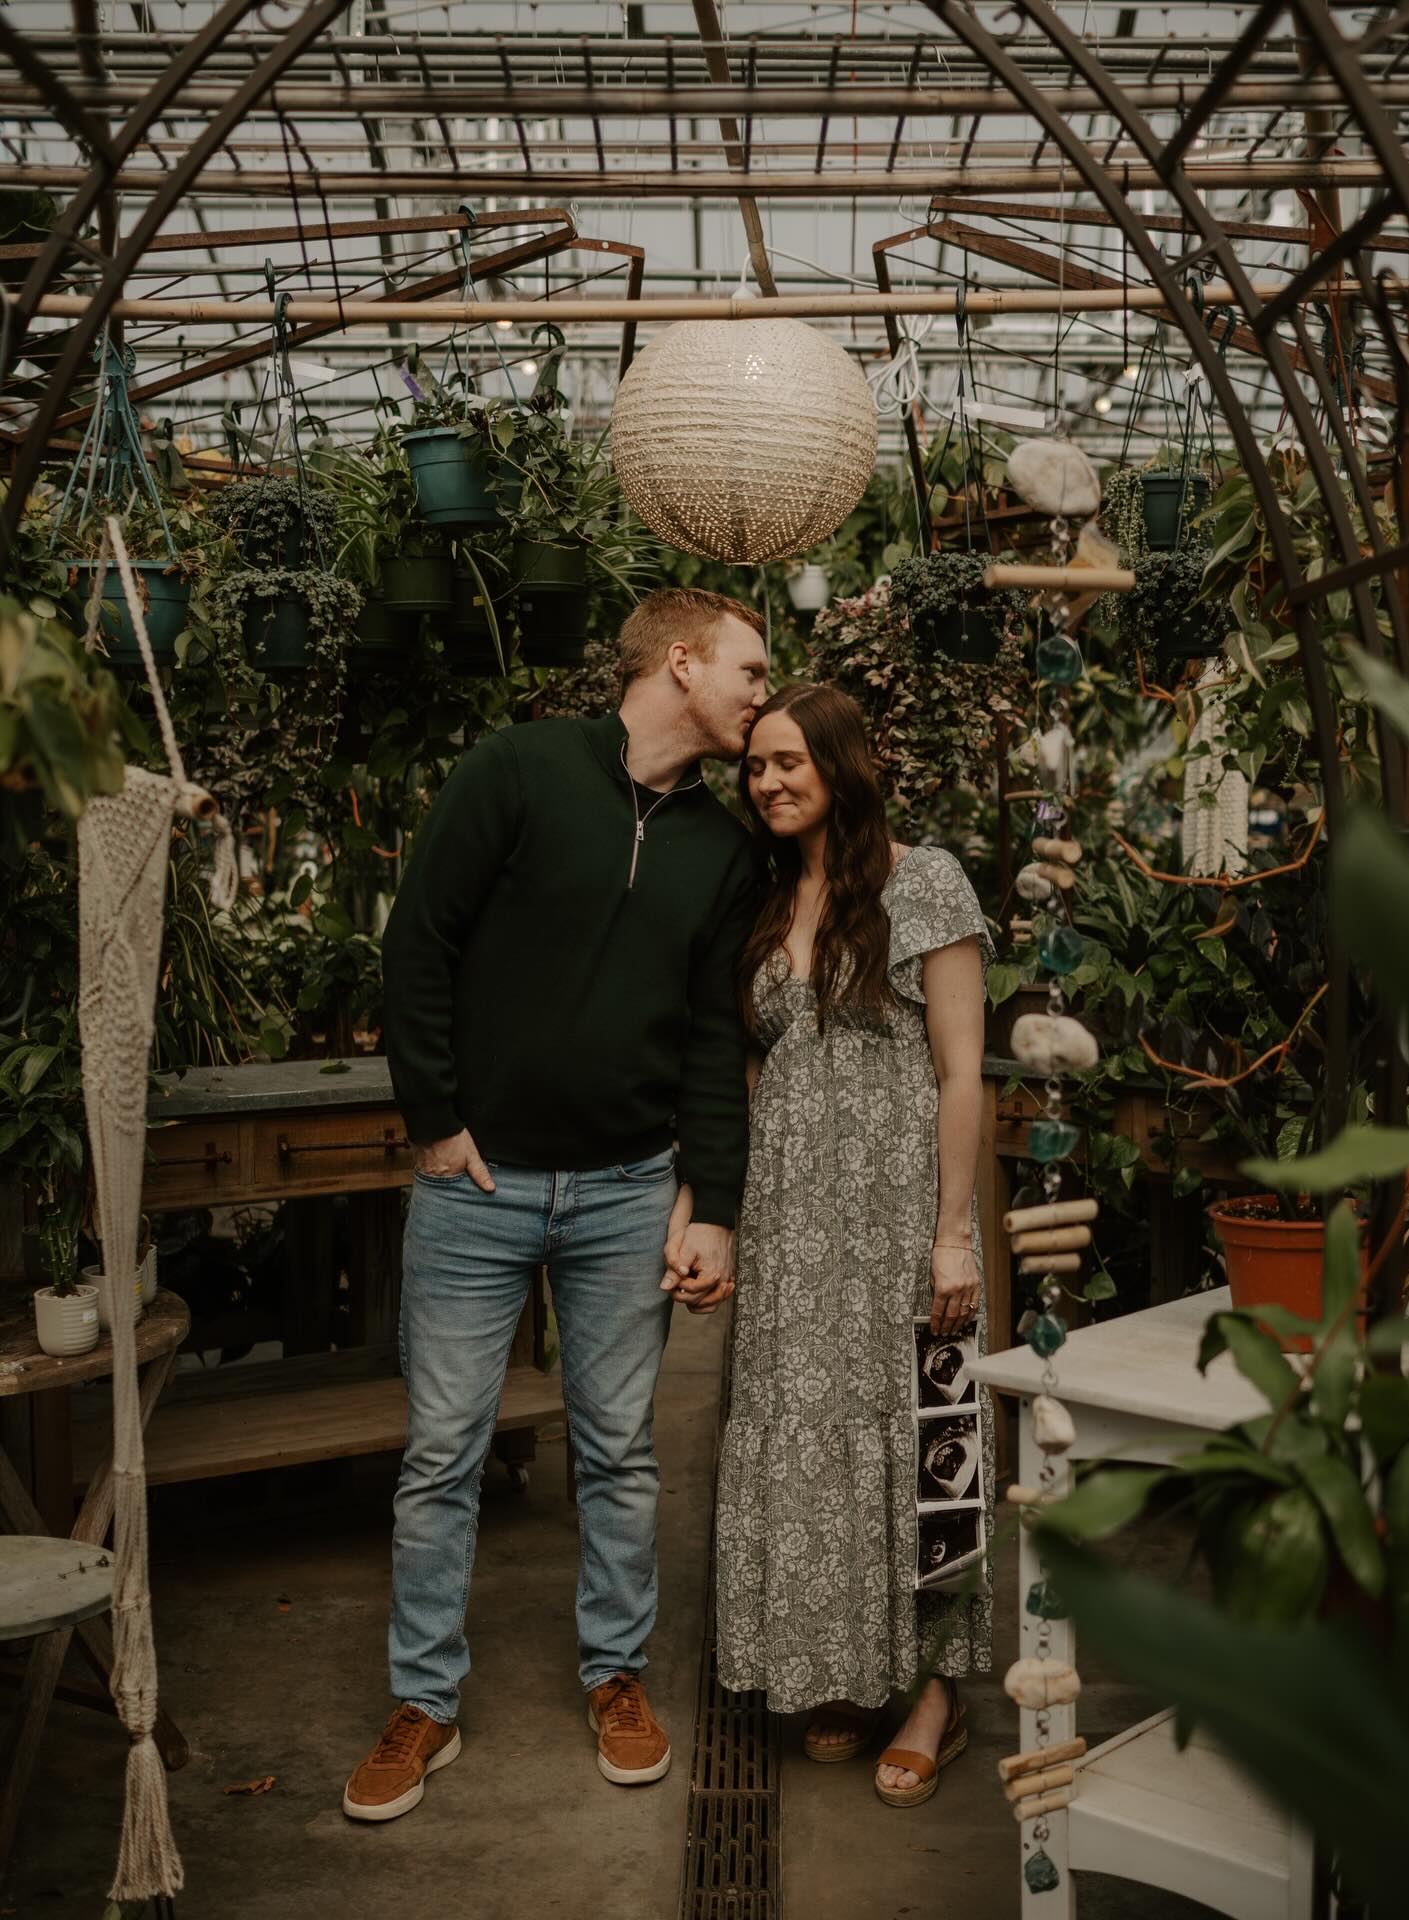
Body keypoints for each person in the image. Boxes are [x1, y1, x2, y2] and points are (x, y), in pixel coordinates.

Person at [341, 588, 769, 1822]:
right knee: (442, 1454)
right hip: (477, 1189)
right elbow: (419, 944)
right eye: (749, 670)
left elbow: (713, 1036)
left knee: (620, 1452)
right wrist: (436, 1124)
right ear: (680, 662)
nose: (762, 691)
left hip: (628, 1192)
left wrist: (712, 1202)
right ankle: (423, 1700)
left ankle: (616, 1676)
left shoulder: (724, 849)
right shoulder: (519, 770)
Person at [698, 682, 994, 1808]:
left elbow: (961, 1070)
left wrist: (953, 1235)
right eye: (756, 766)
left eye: (790, 762)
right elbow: (756, 1066)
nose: (768, 782)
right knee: (814, 1439)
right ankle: (850, 1670)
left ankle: (935, 1695)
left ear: (841, 765)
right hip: (794, 1222)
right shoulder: (768, 894)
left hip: (903, 1211)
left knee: (926, 1435)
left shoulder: (926, 882)